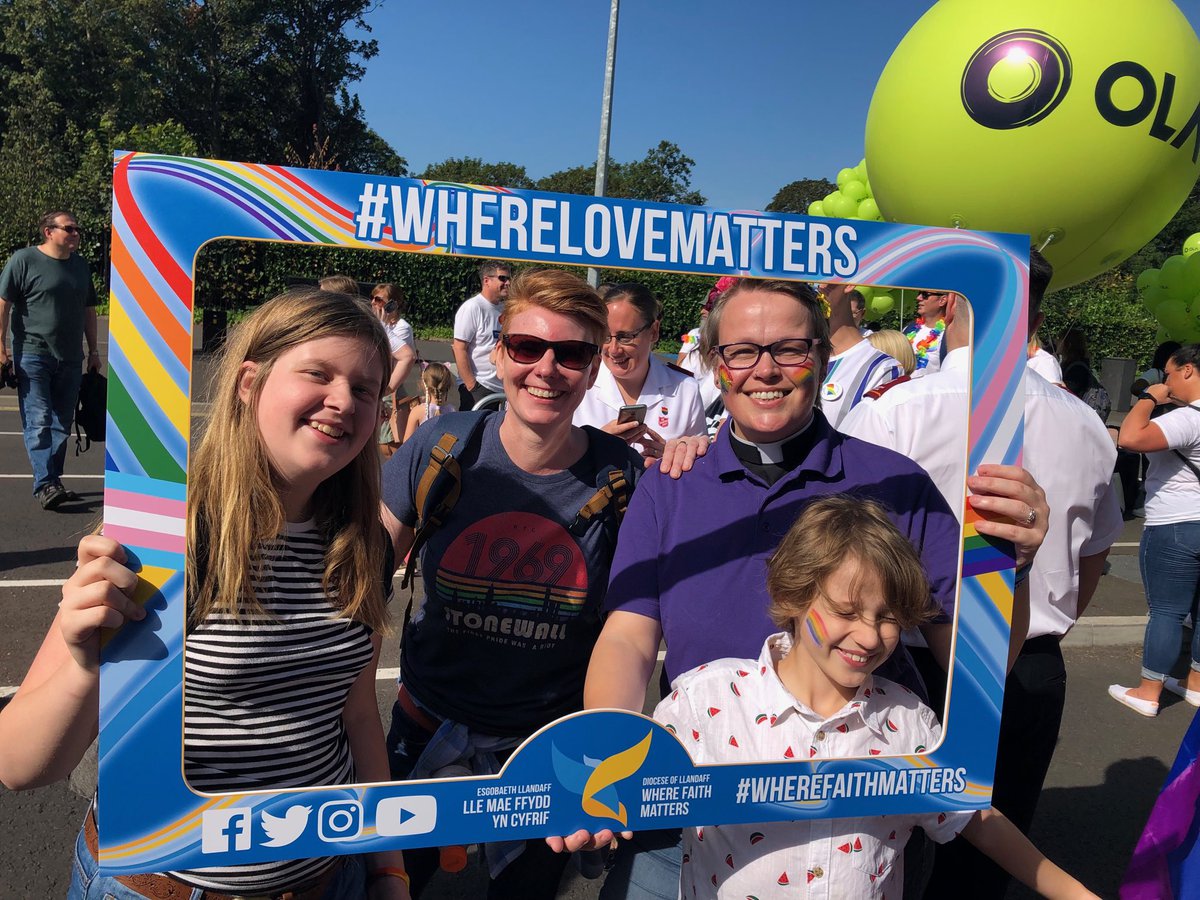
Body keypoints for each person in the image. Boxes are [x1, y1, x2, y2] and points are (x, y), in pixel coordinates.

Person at [564, 277, 1048, 899]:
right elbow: (629, 637)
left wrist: (1015, 569)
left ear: (820, 356)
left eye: (789, 349)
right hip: (693, 800)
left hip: (855, 817)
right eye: (742, 352)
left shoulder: (896, 483)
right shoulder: (672, 484)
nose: (765, 370)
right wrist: (606, 750)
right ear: (715, 367)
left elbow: (977, 669)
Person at [0, 288, 411, 898]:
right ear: (250, 383)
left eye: (365, 389)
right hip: (165, 885)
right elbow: (22, 765)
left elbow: (355, 717)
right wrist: (88, 661)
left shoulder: (363, 544)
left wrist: (387, 866)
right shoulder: (166, 534)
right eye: (318, 375)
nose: (343, 401)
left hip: (330, 879)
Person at [841, 248, 1123, 900]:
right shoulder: (1084, 421)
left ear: (952, 302)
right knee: (987, 858)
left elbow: (837, 540)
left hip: (899, 664)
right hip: (1030, 662)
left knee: (878, 856)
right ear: (1037, 314)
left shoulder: (895, 408)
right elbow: (1093, 557)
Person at [655, 495, 1099, 900]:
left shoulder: (907, 722)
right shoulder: (706, 701)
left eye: (887, 618)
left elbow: (973, 816)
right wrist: (590, 819)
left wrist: (1076, 893)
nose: (868, 636)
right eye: (845, 611)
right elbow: (627, 787)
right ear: (792, 595)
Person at [380, 268, 645, 899]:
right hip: (424, 726)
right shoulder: (442, 447)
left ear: (593, 366)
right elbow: (358, 580)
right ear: (499, 351)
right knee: (387, 887)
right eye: (527, 347)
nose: (546, 369)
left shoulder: (623, 477)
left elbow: (634, 628)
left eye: (572, 353)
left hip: (547, 749)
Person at [1110, 343, 1200, 717]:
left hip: (1176, 523)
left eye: (1169, 372)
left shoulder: (1189, 418)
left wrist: (1148, 397)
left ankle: (1148, 691)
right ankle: (1195, 684)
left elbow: (1129, 437)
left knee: (1166, 611)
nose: (1165, 380)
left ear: (1189, 371)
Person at [0, 210, 101, 510]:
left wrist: (94, 351)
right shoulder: (24, 261)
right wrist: (1, 347)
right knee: (39, 418)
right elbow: (3, 305)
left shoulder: (80, 267)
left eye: (77, 229)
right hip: (33, 353)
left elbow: (89, 310)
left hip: (70, 357)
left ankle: (52, 480)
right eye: (69, 228)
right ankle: (45, 483)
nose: (76, 233)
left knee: (61, 422)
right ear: (49, 231)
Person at [574, 282, 707, 463]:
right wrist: (596, 445)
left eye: (625, 337)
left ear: (654, 331)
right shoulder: (578, 383)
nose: (613, 350)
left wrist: (669, 461)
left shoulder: (685, 390)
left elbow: (701, 466)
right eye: (605, 336)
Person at [819, 284, 902, 429]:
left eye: (821, 278)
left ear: (848, 285)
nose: (813, 286)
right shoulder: (793, 355)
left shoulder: (882, 369)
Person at [453, 259, 510, 410]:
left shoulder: (505, 309)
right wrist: (472, 385)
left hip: (501, 389)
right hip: (480, 387)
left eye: (509, 278)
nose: (508, 282)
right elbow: (459, 348)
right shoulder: (473, 307)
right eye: (502, 278)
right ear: (486, 281)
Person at [377, 286, 418, 456]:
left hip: (393, 390)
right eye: (372, 298)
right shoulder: (381, 324)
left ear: (393, 304)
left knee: (391, 441)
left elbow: (390, 355)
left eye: (379, 299)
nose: (373, 302)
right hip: (383, 384)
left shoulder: (402, 327)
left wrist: (381, 324)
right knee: (381, 441)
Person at [401, 362, 455, 443]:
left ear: (424, 384)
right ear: (448, 384)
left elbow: (406, 444)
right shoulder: (451, 410)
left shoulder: (417, 411)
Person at [902, 288, 951, 377]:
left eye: (925, 294)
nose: (919, 298)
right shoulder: (908, 329)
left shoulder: (949, 334)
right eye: (919, 293)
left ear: (942, 300)